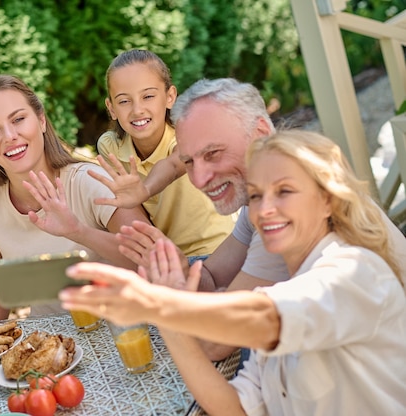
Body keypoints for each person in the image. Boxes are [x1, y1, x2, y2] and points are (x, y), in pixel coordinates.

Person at [60, 129, 406, 415]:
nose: (266, 209)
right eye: (255, 196)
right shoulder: (284, 287)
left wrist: (159, 304)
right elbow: (233, 408)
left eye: (284, 191)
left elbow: (266, 317)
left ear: (327, 199)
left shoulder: (356, 270)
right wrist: (169, 320)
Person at [111, 78, 406, 362]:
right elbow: (212, 278)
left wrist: (174, 291)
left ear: (261, 132)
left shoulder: (290, 217)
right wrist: (177, 268)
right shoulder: (263, 197)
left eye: (213, 153)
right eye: (189, 162)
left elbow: (214, 344)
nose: (198, 179)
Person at [0, 74, 150, 322]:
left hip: (123, 330)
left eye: (18, 119)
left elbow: (151, 259)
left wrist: (77, 231)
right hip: (51, 345)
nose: (9, 136)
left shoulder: (88, 180)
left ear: (41, 120)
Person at [89, 49, 234, 263]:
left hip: (215, 251)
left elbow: (175, 163)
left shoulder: (186, 135)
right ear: (111, 108)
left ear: (169, 97)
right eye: (124, 101)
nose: (137, 110)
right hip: (168, 259)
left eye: (148, 96)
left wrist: (145, 190)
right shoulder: (110, 146)